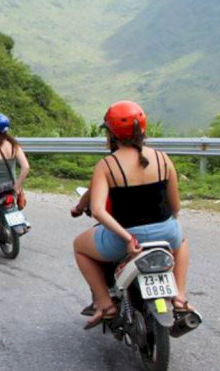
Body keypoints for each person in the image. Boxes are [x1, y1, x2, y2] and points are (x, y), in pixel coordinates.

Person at [73, 100, 194, 329]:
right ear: (143, 129)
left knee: (79, 246)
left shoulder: (107, 165)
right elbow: (175, 206)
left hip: (125, 239)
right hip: (166, 234)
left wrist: (129, 238)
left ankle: (105, 304)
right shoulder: (162, 158)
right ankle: (179, 297)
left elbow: (98, 211)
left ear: (111, 134)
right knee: (183, 241)